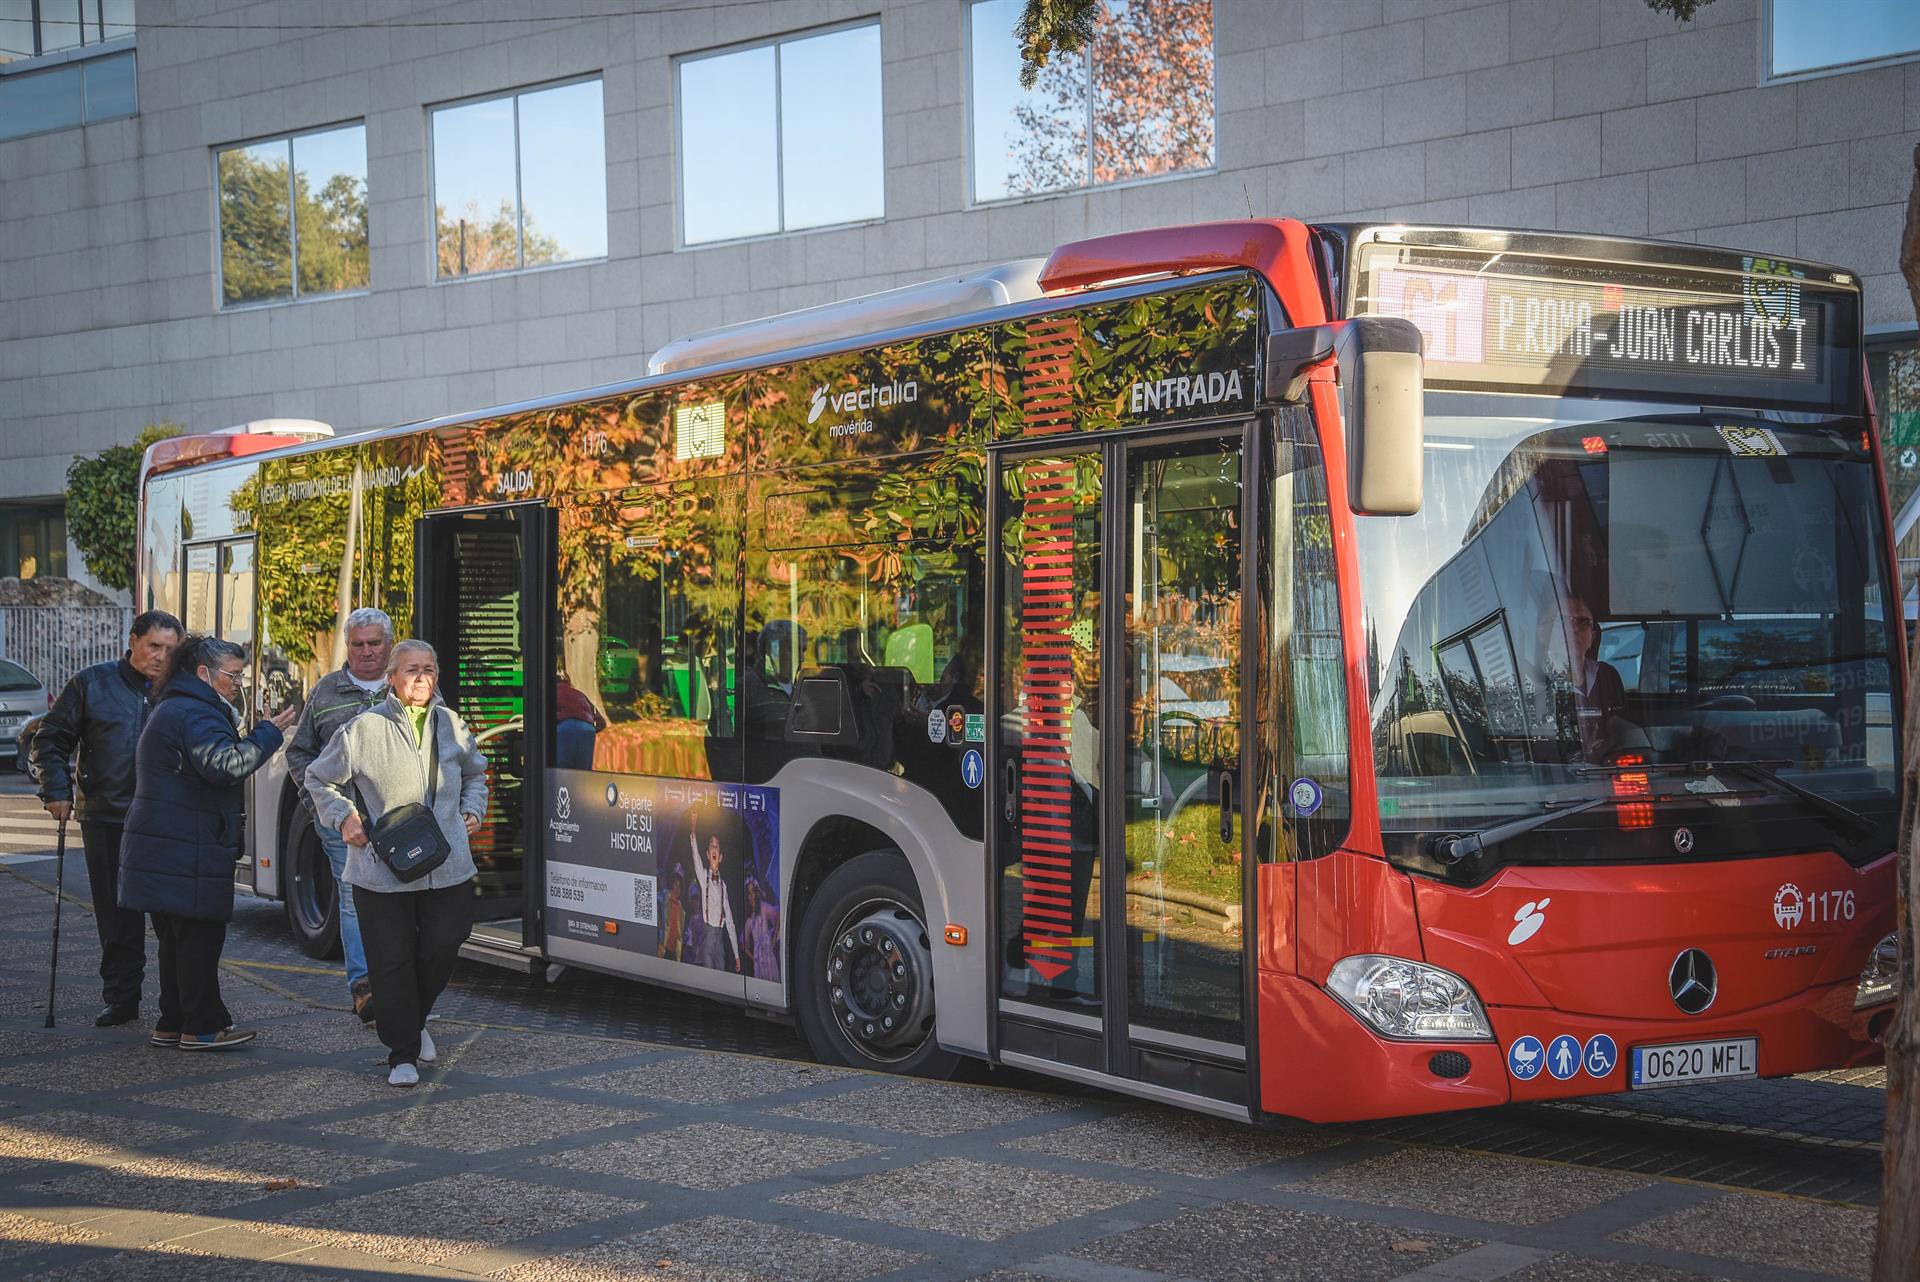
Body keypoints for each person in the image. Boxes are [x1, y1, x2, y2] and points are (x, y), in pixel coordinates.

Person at [303, 640, 488, 1087]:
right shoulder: (363, 728)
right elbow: (318, 777)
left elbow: (476, 774)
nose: (421, 677)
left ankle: (413, 1018)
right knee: (391, 961)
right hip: (380, 869)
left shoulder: (452, 724)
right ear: (391, 677)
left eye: (428, 669)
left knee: (445, 943)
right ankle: (402, 1054)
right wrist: (344, 817)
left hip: (447, 864)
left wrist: (473, 809)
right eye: (411, 669)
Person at [118, 636, 297, 1050]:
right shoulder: (197, 712)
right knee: (198, 941)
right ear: (204, 673)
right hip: (187, 846)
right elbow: (224, 765)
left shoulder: (176, 706)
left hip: (167, 845)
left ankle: (172, 1021)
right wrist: (267, 734)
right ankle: (202, 1026)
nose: (238, 683)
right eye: (232, 675)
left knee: (176, 941)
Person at [32, 610, 184, 1027]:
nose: (161, 656)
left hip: (166, 820)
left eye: (170, 649)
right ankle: (121, 997)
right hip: (107, 815)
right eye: (154, 646)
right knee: (117, 916)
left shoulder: (182, 690)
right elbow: (50, 739)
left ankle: (177, 1004)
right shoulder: (91, 684)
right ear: (133, 641)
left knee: (172, 918)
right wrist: (56, 790)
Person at [283, 607, 394, 1025]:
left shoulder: (406, 686)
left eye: (374, 643)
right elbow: (300, 753)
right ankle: (365, 988)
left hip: (400, 819)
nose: (366, 652)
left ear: (389, 644)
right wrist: (320, 806)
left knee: (400, 900)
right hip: (342, 820)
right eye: (357, 644)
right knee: (352, 897)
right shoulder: (326, 691)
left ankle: (399, 983)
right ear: (347, 645)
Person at [686, 829, 739, 972]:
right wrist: (693, 835)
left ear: (720, 857)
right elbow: (696, 860)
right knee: (709, 975)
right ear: (708, 855)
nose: (714, 848)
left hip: (720, 939)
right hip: (708, 937)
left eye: (717, 846)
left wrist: (736, 955)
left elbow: (730, 922)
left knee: (721, 974)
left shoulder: (723, 886)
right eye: (711, 845)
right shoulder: (704, 877)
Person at [553, 670, 606, 770]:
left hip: (563, 729)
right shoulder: (579, 694)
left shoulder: (551, 693)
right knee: (583, 772)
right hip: (588, 731)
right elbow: (601, 722)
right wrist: (590, 729)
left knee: (562, 770)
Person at [742, 877, 779, 982]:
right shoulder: (749, 919)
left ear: (756, 893)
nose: (751, 896)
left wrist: (773, 941)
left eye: (753, 892)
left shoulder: (763, 907)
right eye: (749, 893)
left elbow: (778, 915)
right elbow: (744, 945)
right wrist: (754, 958)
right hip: (758, 959)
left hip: (768, 953)